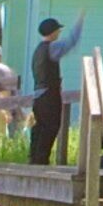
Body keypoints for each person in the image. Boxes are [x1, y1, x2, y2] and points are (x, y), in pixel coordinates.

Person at [27, 18, 68, 167]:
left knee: (39, 127)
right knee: (51, 126)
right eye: (57, 30)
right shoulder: (51, 48)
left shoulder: (38, 49)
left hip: (38, 93)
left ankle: (34, 159)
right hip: (49, 93)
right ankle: (41, 161)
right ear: (53, 32)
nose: (59, 32)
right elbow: (70, 43)